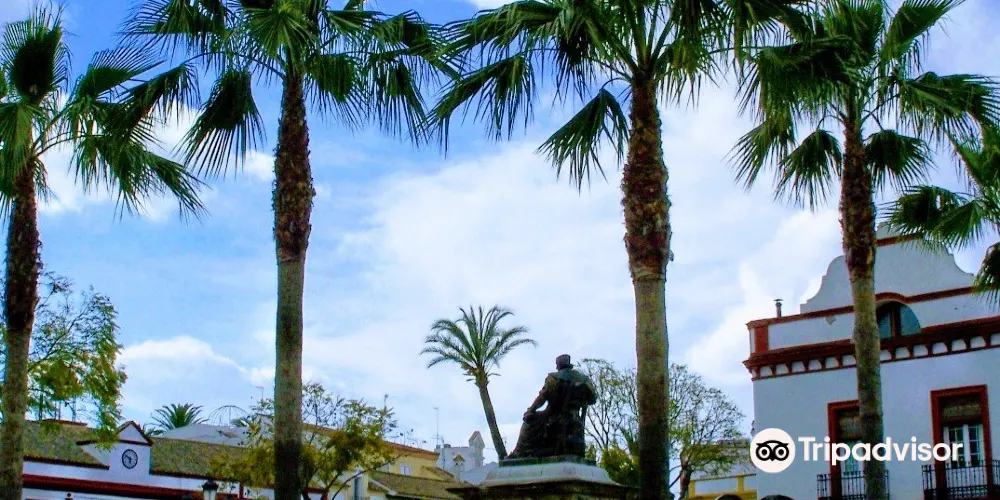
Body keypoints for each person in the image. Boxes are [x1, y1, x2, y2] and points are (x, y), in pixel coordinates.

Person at [506, 354, 597, 459]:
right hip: (575, 419)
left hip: (554, 417)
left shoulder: (553, 378)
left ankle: (520, 452)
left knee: (528, 422)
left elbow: (542, 398)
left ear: (558, 366)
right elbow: (592, 399)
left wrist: (530, 410)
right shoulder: (584, 379)